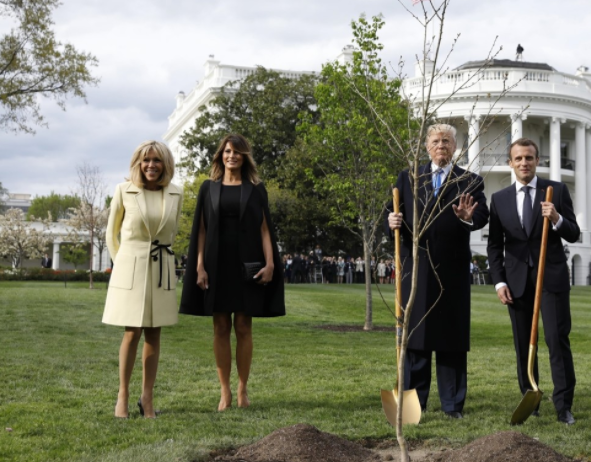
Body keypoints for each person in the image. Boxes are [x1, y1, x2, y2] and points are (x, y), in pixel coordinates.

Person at [387, 123, 489, 418]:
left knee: (451, 340)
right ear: (426, 146)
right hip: (416, 268)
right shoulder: (408, 177)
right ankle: (413, 404)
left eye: (446, 141)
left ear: (455, 147)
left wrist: (468, 217)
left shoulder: (469, 181)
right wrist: (391, 222)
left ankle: (452, 405)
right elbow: (391, 211)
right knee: (415, 340)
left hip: (451, 271)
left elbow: (482, 214)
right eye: (435, 141)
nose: (441, 145)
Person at [179, 134, 285, 411]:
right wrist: (199, 266)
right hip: (216, 264)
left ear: (244, 157)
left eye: (237, 152)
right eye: (227, 151)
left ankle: (242, 390)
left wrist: (270, 264)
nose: (232, 156)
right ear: (220, 155)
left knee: (244, 326)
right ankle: (224, 391)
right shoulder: (208, 188)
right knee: (221, 327)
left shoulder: (256, 189)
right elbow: (201, 230)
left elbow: (265, 229)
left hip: (247, 263)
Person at [487, 138, 579, 425]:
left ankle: (563, 406)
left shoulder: (556, 191)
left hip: (550, 279)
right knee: (523, 343)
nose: (524, 163)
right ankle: (531, 398)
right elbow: (494, 246)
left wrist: (557, 218)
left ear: (537, 161)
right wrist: (499, 282)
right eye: (518, 158)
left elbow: (574, 233)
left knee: (555, 340)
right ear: (510, 163)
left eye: (529, 157)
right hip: (516, 283)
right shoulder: (499, 199)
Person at [102, 140, 183, 419]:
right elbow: (111, 234)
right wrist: (122, 263)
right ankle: (123, 396)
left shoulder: (176, 193)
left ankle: (147, 397)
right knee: (132, 332)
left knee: (154, 332)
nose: (151, 165)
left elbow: (172, 232)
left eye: (157, 160)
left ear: (165, 164)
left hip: (162, 268)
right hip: (131, 268)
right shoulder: (123, 190)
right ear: (138, 163)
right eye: (146, 160)